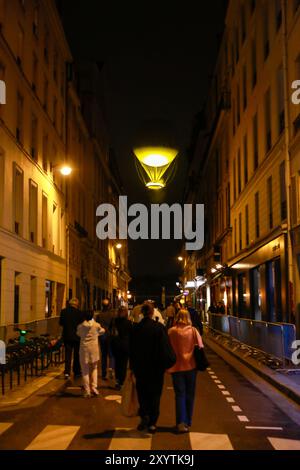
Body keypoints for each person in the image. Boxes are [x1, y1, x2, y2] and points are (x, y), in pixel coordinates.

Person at [129, 302, 176, 434]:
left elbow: (132, 349)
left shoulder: (136, 328)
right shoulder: (159, 328)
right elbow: (165, 348)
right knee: (155, 394)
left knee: (142, 393)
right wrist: (167, 364)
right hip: (156, 367)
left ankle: (144, 415)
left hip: (140, 367)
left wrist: (132, 366)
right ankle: (153, 423)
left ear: (142, 313)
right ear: (152, 313)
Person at [168, 309, 204, 433]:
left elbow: (167, 348)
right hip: (191, 367)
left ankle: (180, 422)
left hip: (176, 368)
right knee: (190, 394)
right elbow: (200, 347)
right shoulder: (193, 331)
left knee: (179, 395)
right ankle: (188, 421)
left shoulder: (171, 331)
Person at [76, 311, 105, 398]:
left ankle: (87, 390)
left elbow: (78, 334)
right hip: (94, 349)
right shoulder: (97, 325)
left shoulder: (80, 326)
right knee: (94, 368)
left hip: (84, 349)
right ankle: (94, 387)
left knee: (85, 370)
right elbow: (102, 331)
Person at [59, 298, 84, 379]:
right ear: (77, 304)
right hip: (77, 336)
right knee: (77, 355)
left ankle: (67, 372)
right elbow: (82, 325)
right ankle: (76, 371)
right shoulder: (80, 313)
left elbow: (61, 323)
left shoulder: (64, 311)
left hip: (67, 336)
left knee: (68, 354)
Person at [110, 306, 132, 390]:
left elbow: (111, 332)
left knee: (117, 363)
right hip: (125, 345)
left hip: (116, 344)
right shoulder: (128, 322)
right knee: (123, 364)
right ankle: (121, 381)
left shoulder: (114, 321)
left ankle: (117, 380)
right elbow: (131, 334)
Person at [96, 299, 115, 380]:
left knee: (103, 355)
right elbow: (113, 326)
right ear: (109, 305)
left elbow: (97, 326)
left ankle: (104, 373)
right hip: (110, 335)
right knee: (111, 354)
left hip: (101, 336)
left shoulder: (99, 315)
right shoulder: (112, 314)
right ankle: (111, 367)